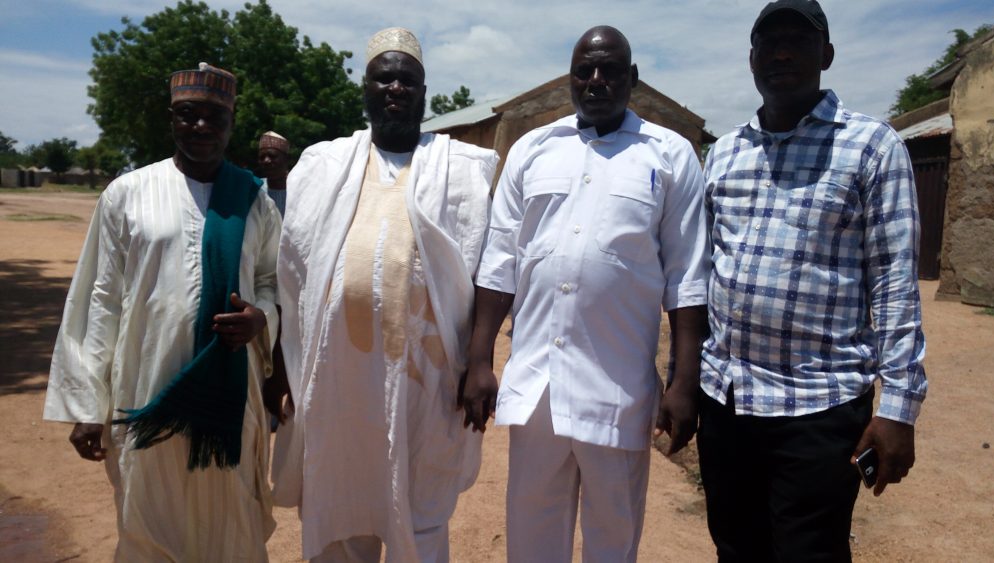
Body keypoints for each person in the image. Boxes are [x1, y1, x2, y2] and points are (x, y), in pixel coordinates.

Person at [463, 26, 711, 563]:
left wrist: (684, 382)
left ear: (633, 79)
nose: (595, 79)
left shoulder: (669, 155)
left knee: (612, 544)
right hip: (537, 391)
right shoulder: (532, 150)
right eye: (584, 70)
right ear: (570, 77)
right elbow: (500, 261)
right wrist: (479, 360)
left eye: (609, 69)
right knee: (531, 542)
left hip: (617, 393)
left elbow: (688, 275)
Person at [698, 1, 928, 561]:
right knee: (736, 548)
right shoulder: (724, 153)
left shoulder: (872, 147)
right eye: (768, 41)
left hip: (818, 406)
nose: (781, 52)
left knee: (810, 552)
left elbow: (895, 283)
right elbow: (701, 271)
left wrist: (898, 408)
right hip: (727, 402)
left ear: (825, 55)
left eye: (798, 42)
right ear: (750, 57)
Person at [269, 27, 498, 562]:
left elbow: (490, 271)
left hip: (426, 379)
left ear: (423, 93)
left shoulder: (462, 171)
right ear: (365, 89)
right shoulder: (321, 165)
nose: (395, 88)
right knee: (340, 504)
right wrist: (282, 363)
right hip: (337, 380)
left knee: (419, 514)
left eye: (407, 80)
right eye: (384, 78)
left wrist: (480, 360)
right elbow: (293, 275)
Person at [44, 62, 282, 561]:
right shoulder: (127, 194)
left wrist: (261, 317)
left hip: (228, 394)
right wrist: (87, 406)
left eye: (213, 116)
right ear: (171, 120)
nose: (199, 126)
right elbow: (99, 300)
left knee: (231, 519)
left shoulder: (254, 200)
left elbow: (272, 281)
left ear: (231, 121)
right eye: (187, 114)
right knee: (148, 520)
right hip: (144, 393)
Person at [258, 130, 290, 216]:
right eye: (262, 157)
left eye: (272, 156)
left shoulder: (299, 189)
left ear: (286, 159)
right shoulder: (256, 190)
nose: (266, 161)